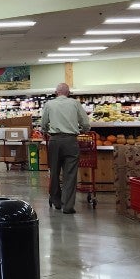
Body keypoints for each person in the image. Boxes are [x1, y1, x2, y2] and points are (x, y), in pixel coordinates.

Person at [40, 83, 91, 214]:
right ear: (68, 93)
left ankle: (56, 201)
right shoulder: (75, 103)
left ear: (56, 92)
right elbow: (85, 123)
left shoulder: (49, 104)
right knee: (70, 174)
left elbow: (43, 123)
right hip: (71, 141)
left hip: (55, 141)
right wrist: (84, 130)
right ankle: (68, 206)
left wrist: (45, 130)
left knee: (54, 172)